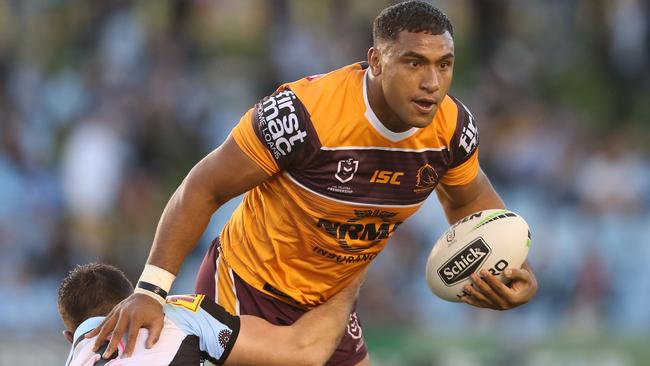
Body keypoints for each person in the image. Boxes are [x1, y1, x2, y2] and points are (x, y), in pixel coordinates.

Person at [89, 1, 538, 365]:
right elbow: (202, 187)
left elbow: (474, 206)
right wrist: (150, 290)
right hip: (250, 287)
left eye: (444, 65)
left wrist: (510, 271)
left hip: (330, 302)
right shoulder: (303, 116)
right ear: (376, 61)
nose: (431, 83)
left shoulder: (452, 129)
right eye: (414, 62)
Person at [59, 262, 365, 365]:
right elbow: (304, 352)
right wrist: (351, 276)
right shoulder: (174, 312)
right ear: (132, 301)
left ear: (70, 338)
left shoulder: (76, 357)